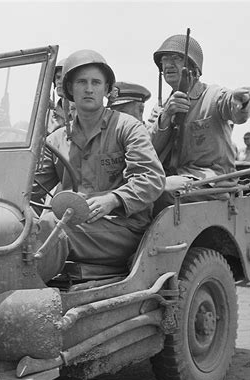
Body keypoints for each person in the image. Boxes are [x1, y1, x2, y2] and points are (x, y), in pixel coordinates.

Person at [32, 49, 165, 282]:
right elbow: (30, 189)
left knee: (50, 227)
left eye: (96, 82)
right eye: (82, 82)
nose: (89, 88)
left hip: (121, 229)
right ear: (69, 89)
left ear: (107, 90)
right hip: (72, 225)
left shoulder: (127, 127)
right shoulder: (56, 140)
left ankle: (28, 296)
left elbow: (151, 179)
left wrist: (112, 199)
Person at [147, 33, 250, 213]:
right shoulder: (160, 109)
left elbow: (232, 107)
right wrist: (166, 116)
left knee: (160, 192)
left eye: (176, 58)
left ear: (193, 67)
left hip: (211, 182)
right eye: (164, 60)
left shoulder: (212, 96)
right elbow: (148, 150)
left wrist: (241, 102)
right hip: (175, 180)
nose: (168, 64)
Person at [47, 58, 76, 135]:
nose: (59, 82)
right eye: (58, 77)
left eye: (64, 78)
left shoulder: (84, 112)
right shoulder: (49, 116)